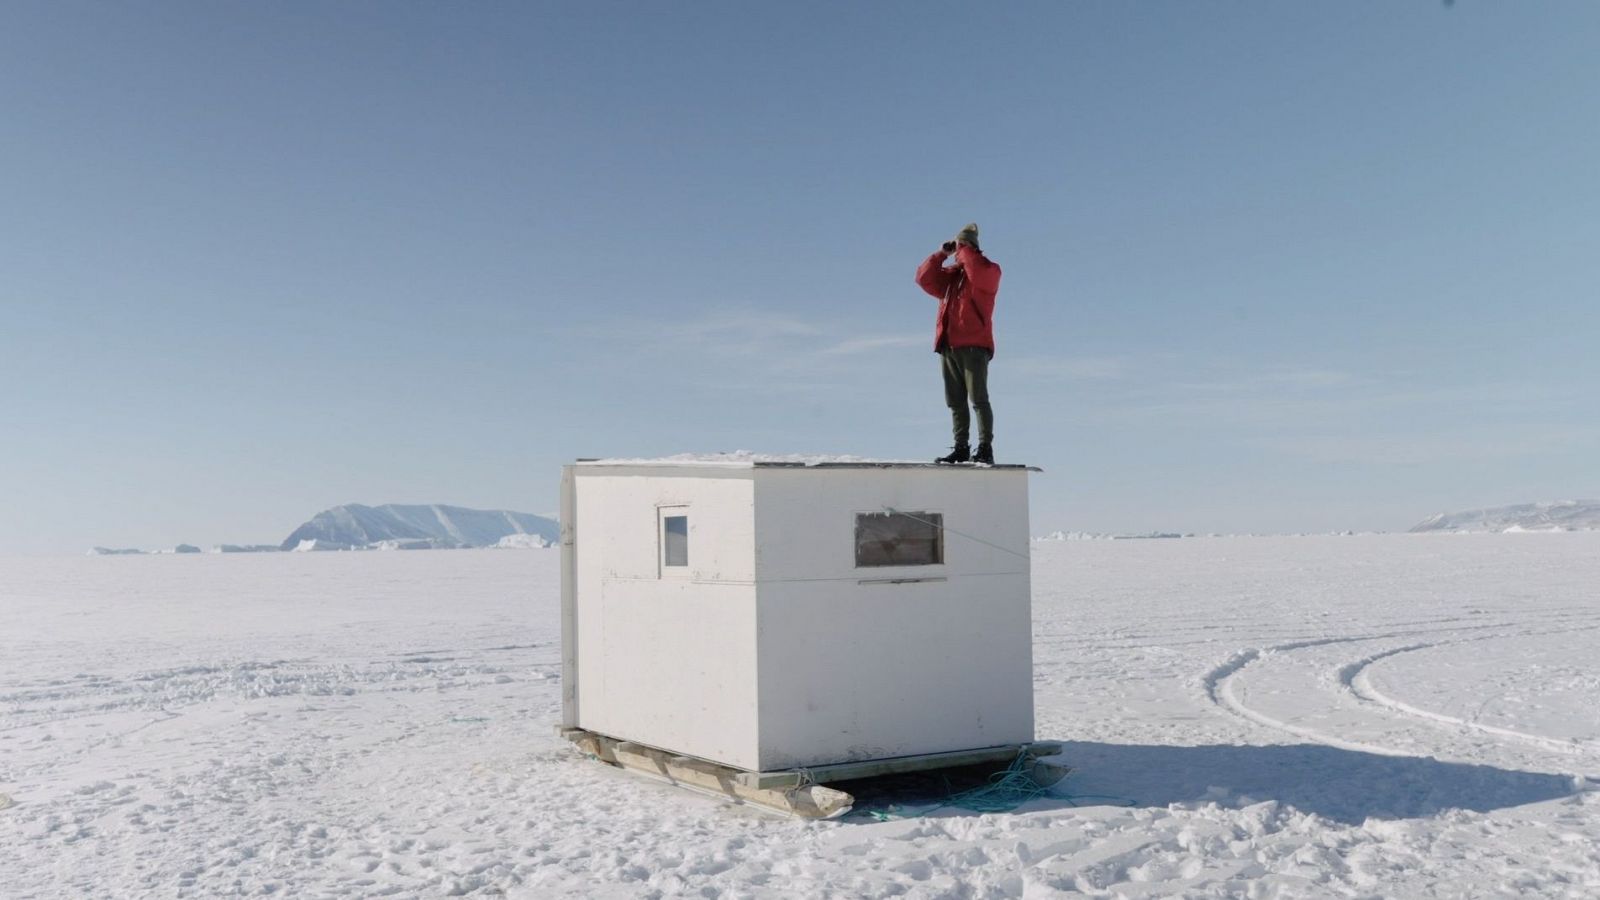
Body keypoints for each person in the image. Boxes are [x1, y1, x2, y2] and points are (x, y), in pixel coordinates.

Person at [915, 223, 1002, 465]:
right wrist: (941, 254)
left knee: (978, 398)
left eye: (961, 246)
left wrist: (963, 249)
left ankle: (985, 447)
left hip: (974, 345)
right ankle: (961, 447)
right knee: (955, 401)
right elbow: (923, 279)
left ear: (971, 248)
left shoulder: (989, 270)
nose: (958, 250)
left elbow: (976, 270)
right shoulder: (952, 278)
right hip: (948, 345)